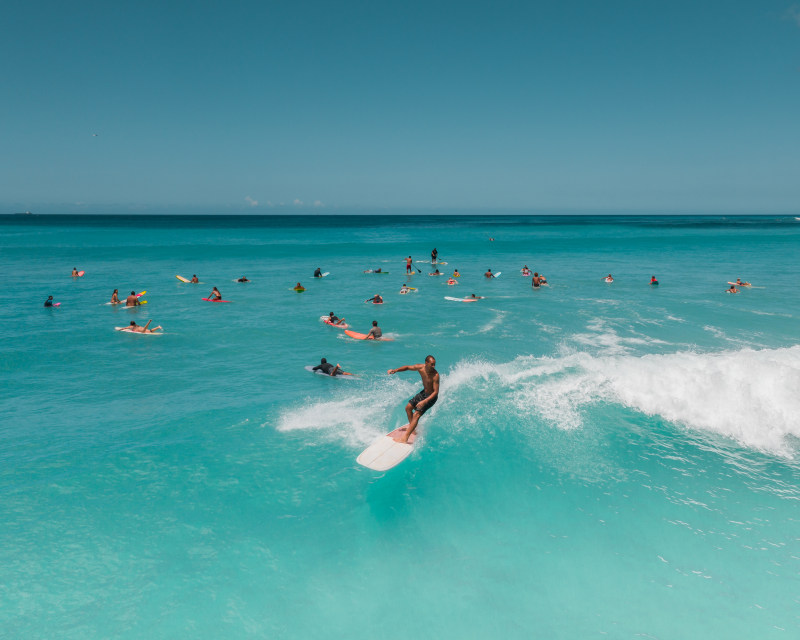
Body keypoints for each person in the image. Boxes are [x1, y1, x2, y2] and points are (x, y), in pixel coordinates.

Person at [387, 355, 440, 443]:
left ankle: (405, 438)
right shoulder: (420, 368)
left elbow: (435, 392)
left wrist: (424, 401)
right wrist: (395, 370)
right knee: (408, 408)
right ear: (426, 363)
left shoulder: (435, 375)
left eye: (434, 364)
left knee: (416, 414)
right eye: (432, 364)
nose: (434, 366)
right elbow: (407, 367)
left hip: (431, 397)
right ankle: (413, 429)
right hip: (424, 393)